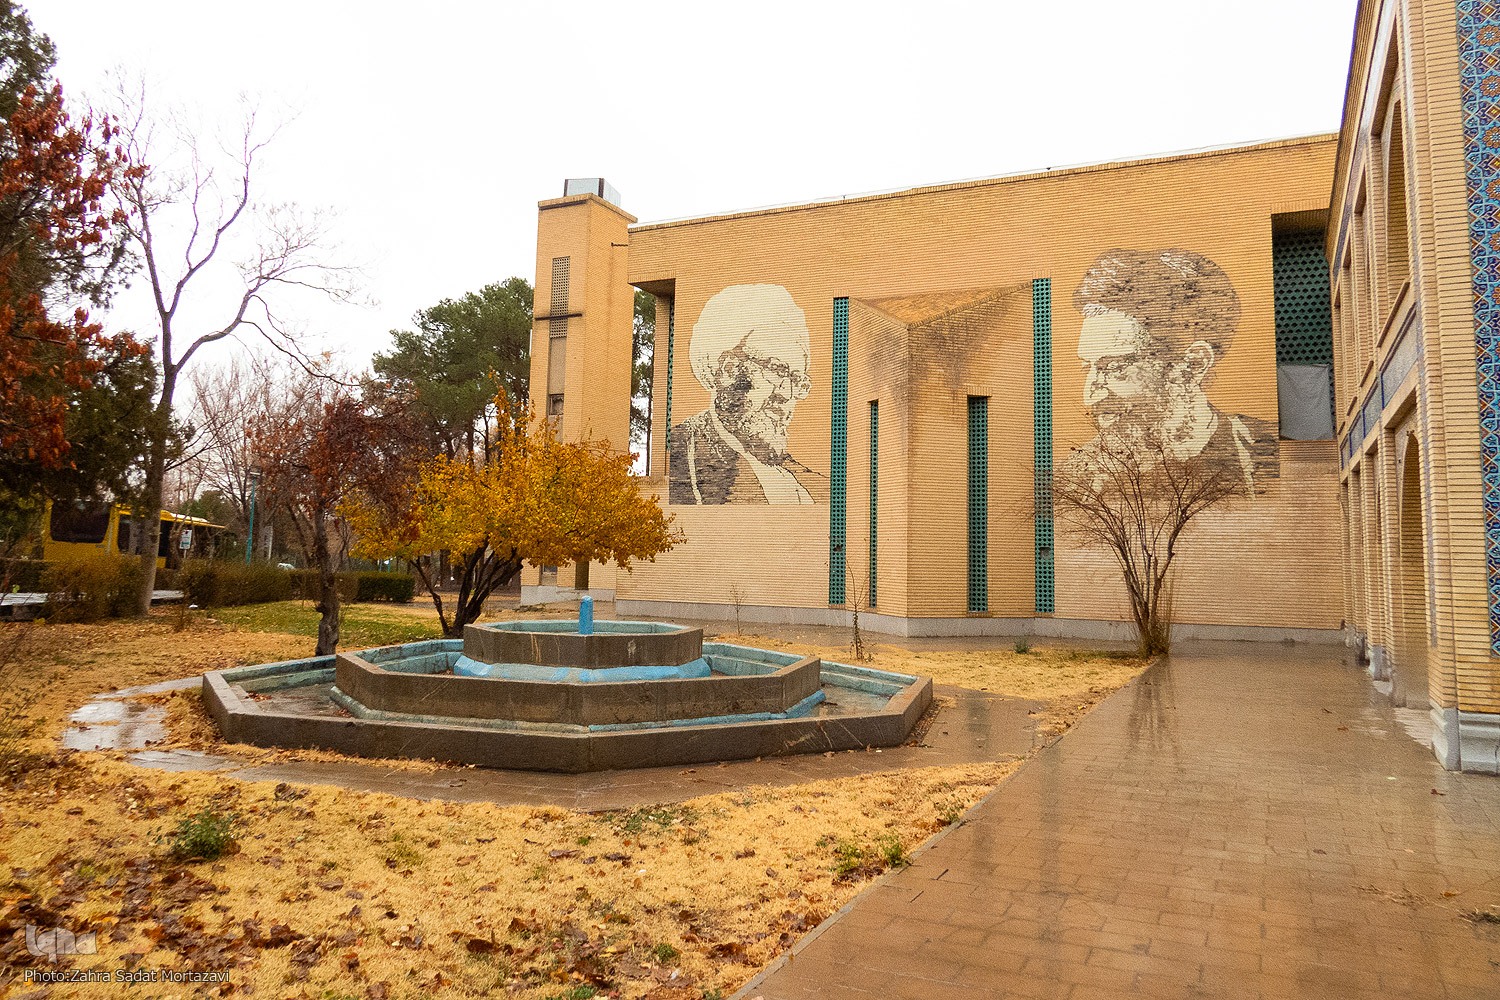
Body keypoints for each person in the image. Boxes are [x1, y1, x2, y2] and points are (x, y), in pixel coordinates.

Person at [1072, 248, 1278, 493]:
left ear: (1193, 364)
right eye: (1087, 368)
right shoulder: (1075, 477)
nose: (1090, 396)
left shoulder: (1267, 450)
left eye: (1114, 367)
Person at [668, 284, 827, 504]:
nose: (787, 393)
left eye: (796, 380)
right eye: (777, 370)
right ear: (728, 369)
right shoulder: (683, 449)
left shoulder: (808, 484)